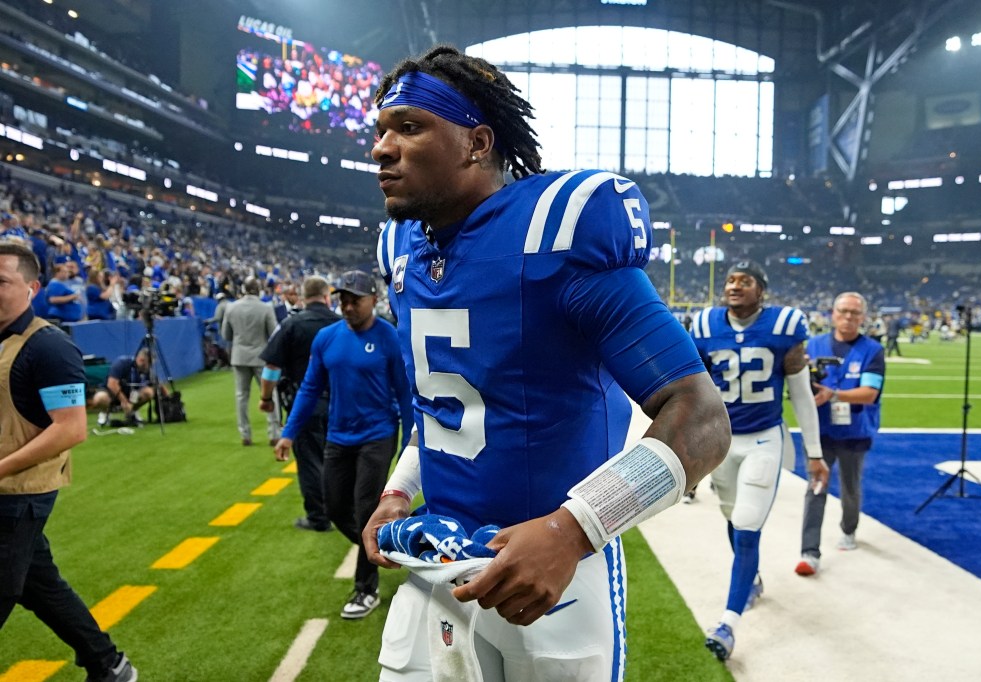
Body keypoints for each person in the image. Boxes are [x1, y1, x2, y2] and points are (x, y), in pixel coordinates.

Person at [361, 45, 729, 679]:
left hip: (559, 584)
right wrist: (401, 489)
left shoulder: (557, 230)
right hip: (437, 564)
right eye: (382, 131)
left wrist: (571, 531)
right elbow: (448, 405)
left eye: (410, 128)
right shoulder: (402, 247)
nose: (381, 148)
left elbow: (701, 419)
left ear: (477, 142)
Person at [0, 242, 137, 681]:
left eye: (1, 281)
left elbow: (72, 428)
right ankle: (108, 664)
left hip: (20, 496)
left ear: (32, 287)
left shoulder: (49, 347)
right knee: (40, 585)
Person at [689, 260, 827, 662]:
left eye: (744, 281)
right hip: (723, 441)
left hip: (766, 439)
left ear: (760, 290)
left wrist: (814, 453)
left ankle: (727, 624)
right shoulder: (705, 325)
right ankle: (753, 578)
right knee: (734, 520)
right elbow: (695, 392)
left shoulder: (785, 326)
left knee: (748, 525)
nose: (734, 286)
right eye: (731, 280)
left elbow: (801, 393)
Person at [274, 270, 413, 619]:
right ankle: (387, 547)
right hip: (338, 435)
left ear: (372, 300)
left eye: (355, 299)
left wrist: (411, 447)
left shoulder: (390, 338)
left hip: (378, 435)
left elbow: (405, 394)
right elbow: (309, 388)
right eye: (342, 299)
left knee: (365, 507)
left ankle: (366, 589)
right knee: (334, 507)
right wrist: (289, 432)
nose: (348, 306)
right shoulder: (326, 338)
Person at [796, 291, 885, 577]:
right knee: (816, 488)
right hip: (820, 431)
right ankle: (809, 551)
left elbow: (870, 394)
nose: (848, 317)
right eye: (843, 311)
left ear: (863, 318)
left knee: (850, 486)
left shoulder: (872, 350)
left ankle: (849, 529)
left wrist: (833, 394)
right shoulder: (814, 345)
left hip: (854, 431)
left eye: (854, 313)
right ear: (832, 314)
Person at [259, 276, 341, 532]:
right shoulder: (342, 324)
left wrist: (265, 399)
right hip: (342, 403)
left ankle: (318, 517)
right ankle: (345, 512)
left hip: (304, 404)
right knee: (340, 461)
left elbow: (271, 368)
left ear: (303, 297)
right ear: (327, 297)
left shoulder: (291, 324)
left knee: (310, 462)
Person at [222, 276, 280, 446]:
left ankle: (245, 434)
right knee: (270, 394)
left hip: (239, 357)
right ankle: (274, 434)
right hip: (262, 357)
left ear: (243, 289)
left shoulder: (231, 308)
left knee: (241, 396)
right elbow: (274, 333)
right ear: (259, 289)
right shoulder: (266, 308)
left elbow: (226, 335)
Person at [91, 348, 164, 427]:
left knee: (148, 392)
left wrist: (169, 399)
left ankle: (133, 412)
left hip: (131, 395)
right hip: (111, 394)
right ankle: (104, 413)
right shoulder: (122, 363)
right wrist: (124, 401)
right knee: (100, 398)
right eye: (149, 363)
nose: (150, 366)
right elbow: (112, 384)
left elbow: (158, 384)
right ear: (142, 360)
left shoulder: (147, 370)